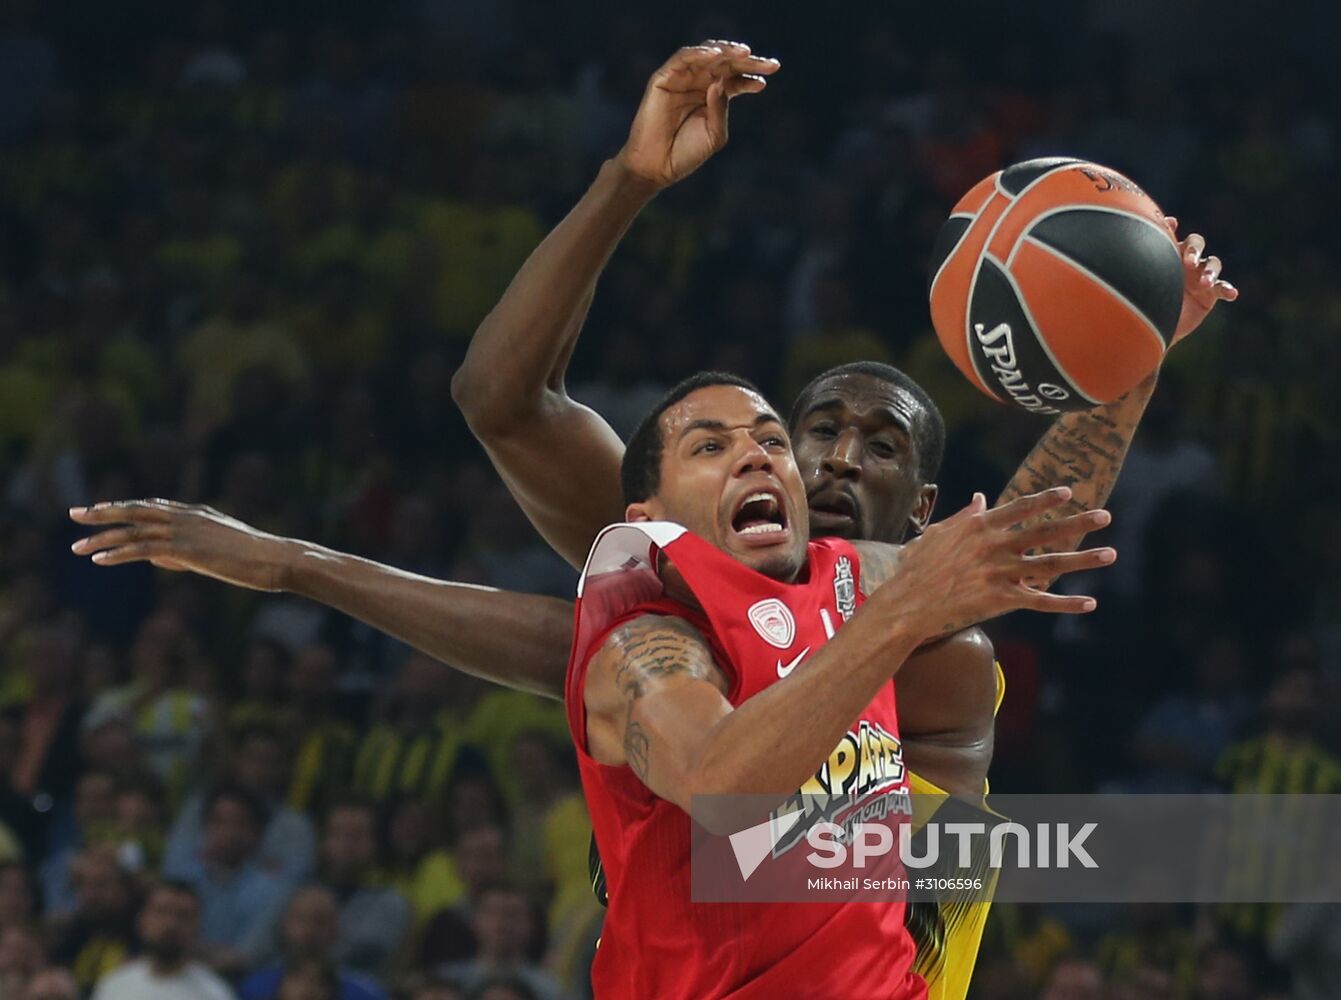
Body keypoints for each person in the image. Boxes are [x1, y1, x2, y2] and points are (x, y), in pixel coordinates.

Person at [68, 40, 1233, 996]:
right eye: (798, 425)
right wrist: (629, 178)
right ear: (660, 499)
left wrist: (1129, 353)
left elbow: (1027, 536)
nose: (814, 452)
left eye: (867, 445)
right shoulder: (662, 589)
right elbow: (507, 415)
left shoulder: (898, 599)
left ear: (922, 510)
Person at [91, 880, 237, 1000]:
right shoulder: (114, 985)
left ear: (197, 927)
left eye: (183, 915)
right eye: (161, 912)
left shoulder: (214, 994)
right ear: (142, 920)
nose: (171, 924)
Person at [238, 885, 388, 1000]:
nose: (309, 930)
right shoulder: (254, 987)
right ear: (285, 924)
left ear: (336, 929)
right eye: (301, 919)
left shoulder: (365, 993)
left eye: (320, 921)